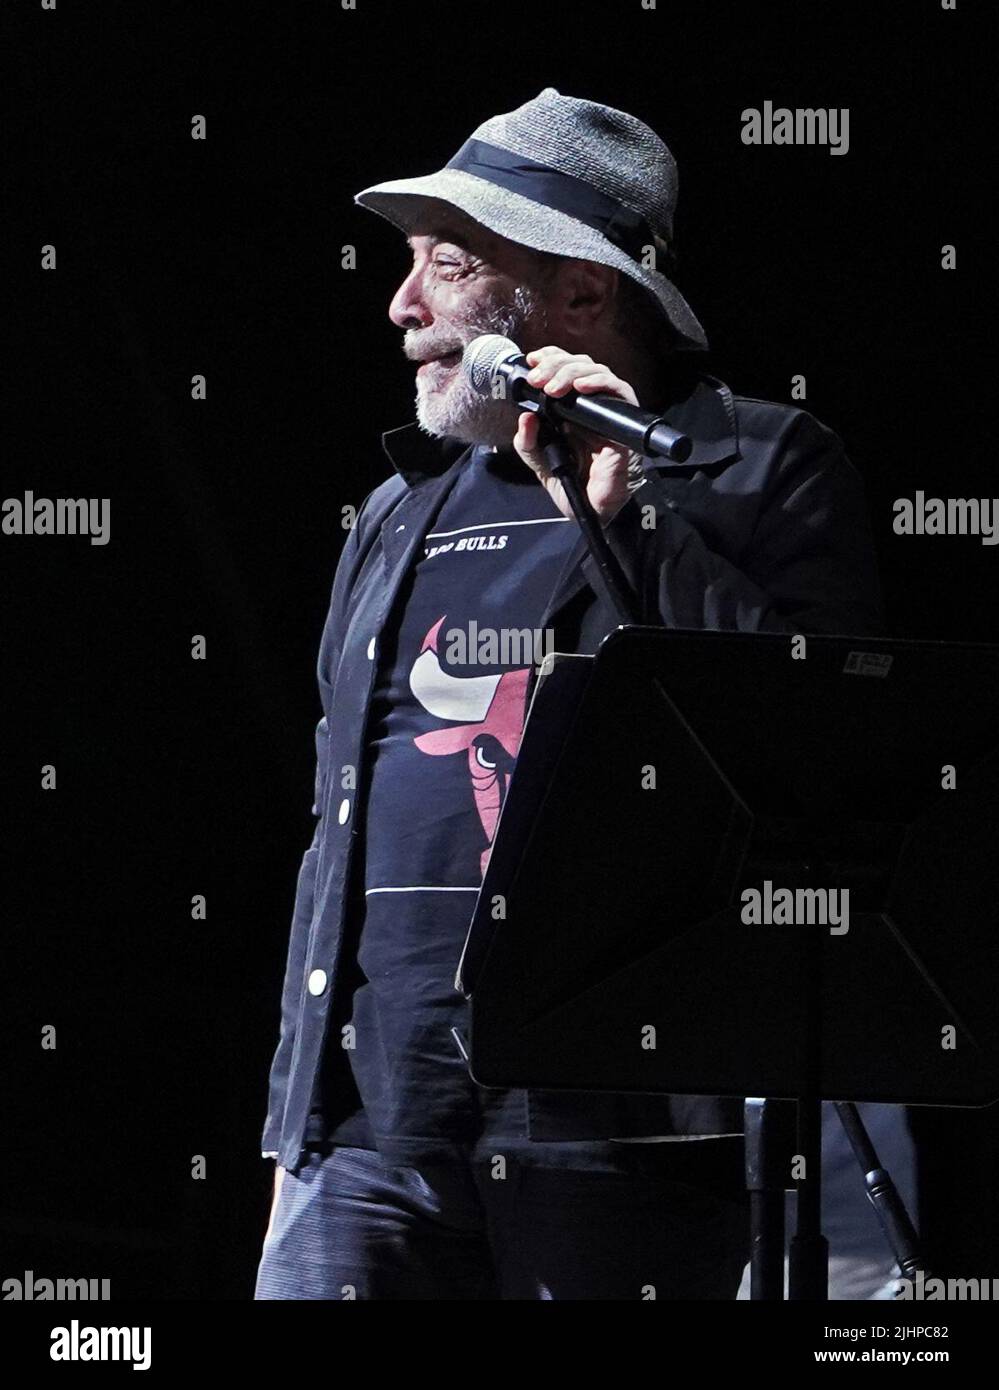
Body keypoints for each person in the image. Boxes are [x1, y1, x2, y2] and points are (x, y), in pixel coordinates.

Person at [254, 87, 884, 1300]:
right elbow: (333, 842)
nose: (403, 306)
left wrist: (634, 521)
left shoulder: (750, 467)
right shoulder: (400, 509)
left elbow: (825, 762)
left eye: (447, 264)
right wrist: (293, 1140)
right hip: (372, 1140)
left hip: (618, 1141)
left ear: (583, 296)